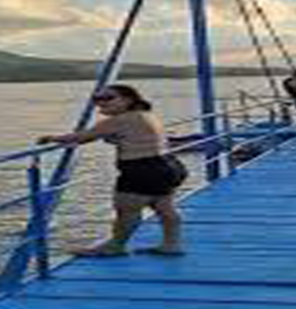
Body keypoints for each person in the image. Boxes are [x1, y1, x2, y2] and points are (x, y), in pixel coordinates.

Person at [36, 84, 188, 257]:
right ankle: (172, 244)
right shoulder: (145, 115)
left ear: (128, 100)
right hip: (168, 165)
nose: (101, 103)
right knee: (164, 207)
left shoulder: (118, 120)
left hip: (142, 169)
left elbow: (81, 138)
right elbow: (135, 137)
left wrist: (51, 138)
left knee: (127, 211)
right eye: (97, 99)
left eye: (108, 98)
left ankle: (115, 246)